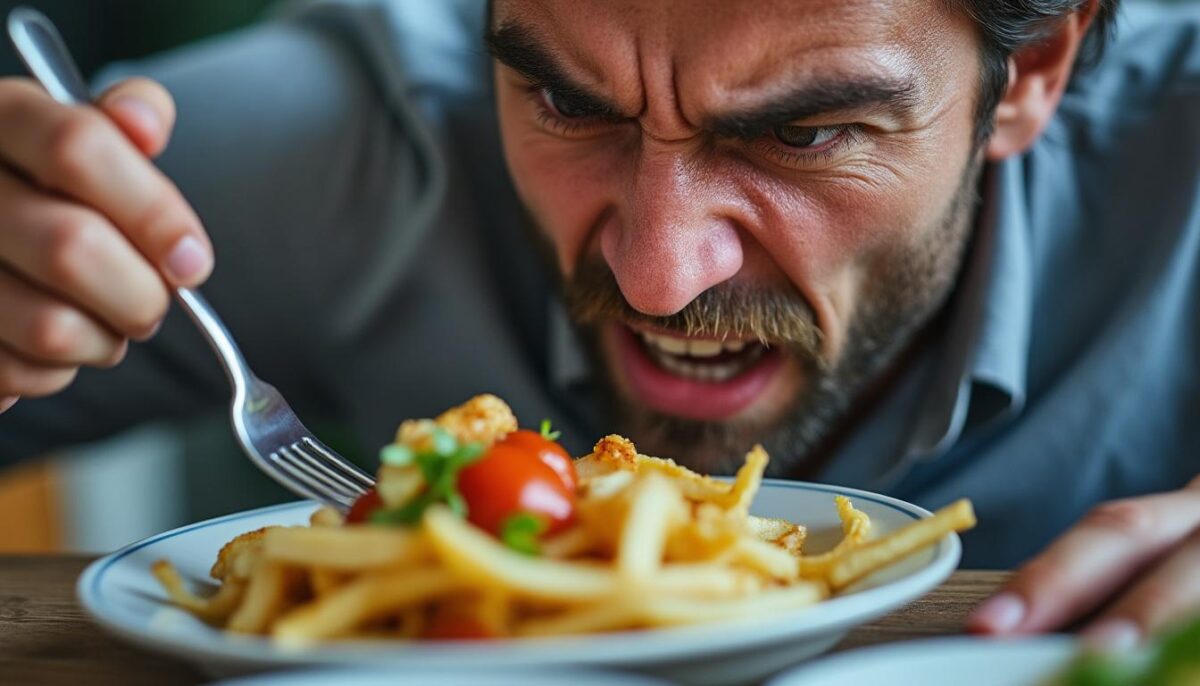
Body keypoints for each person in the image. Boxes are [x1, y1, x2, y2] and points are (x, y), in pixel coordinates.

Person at [0, 0, 1197, 650]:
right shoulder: (335, 150)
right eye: (568, 103)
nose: (659, 277)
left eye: (805, 132)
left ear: (1032, 70)